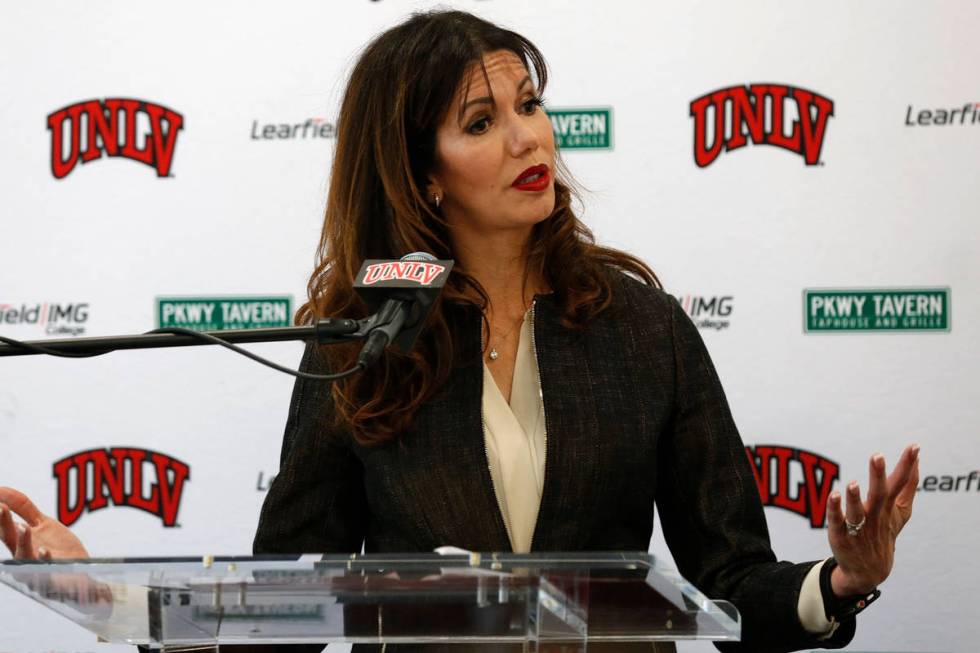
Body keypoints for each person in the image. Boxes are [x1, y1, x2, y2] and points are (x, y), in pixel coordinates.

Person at [1, 9, 919, 653]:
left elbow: (732, 577)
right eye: (483, 121)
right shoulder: (361, 343)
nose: (530, 137)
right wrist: (109, 594)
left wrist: (837, 583)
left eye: (529, 104)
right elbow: (273, 612)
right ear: (423, 175)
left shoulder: (645, 328)